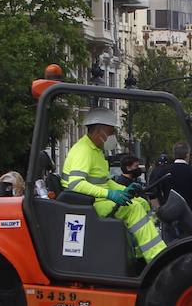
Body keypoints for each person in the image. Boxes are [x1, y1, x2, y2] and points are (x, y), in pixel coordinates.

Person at [61, 109, 165, 262]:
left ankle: (138, 254)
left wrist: (124, 190)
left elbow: (104, 181)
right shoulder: (83, 151)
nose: (112, 136)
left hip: (94, 201)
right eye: (111, 132)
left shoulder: (95, 151)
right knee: (134, 208)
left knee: (142, 202)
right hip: (85, 205)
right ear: (100, 130)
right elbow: (75, 184)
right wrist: (110, 195)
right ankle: (157, 257)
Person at [150, 143, 192, 229]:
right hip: (189, 215)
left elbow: (152, 193)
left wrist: (159, 210)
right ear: (187, 154)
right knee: (190, 240)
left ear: (174, 154)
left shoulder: (164, 171)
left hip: (170, 216)